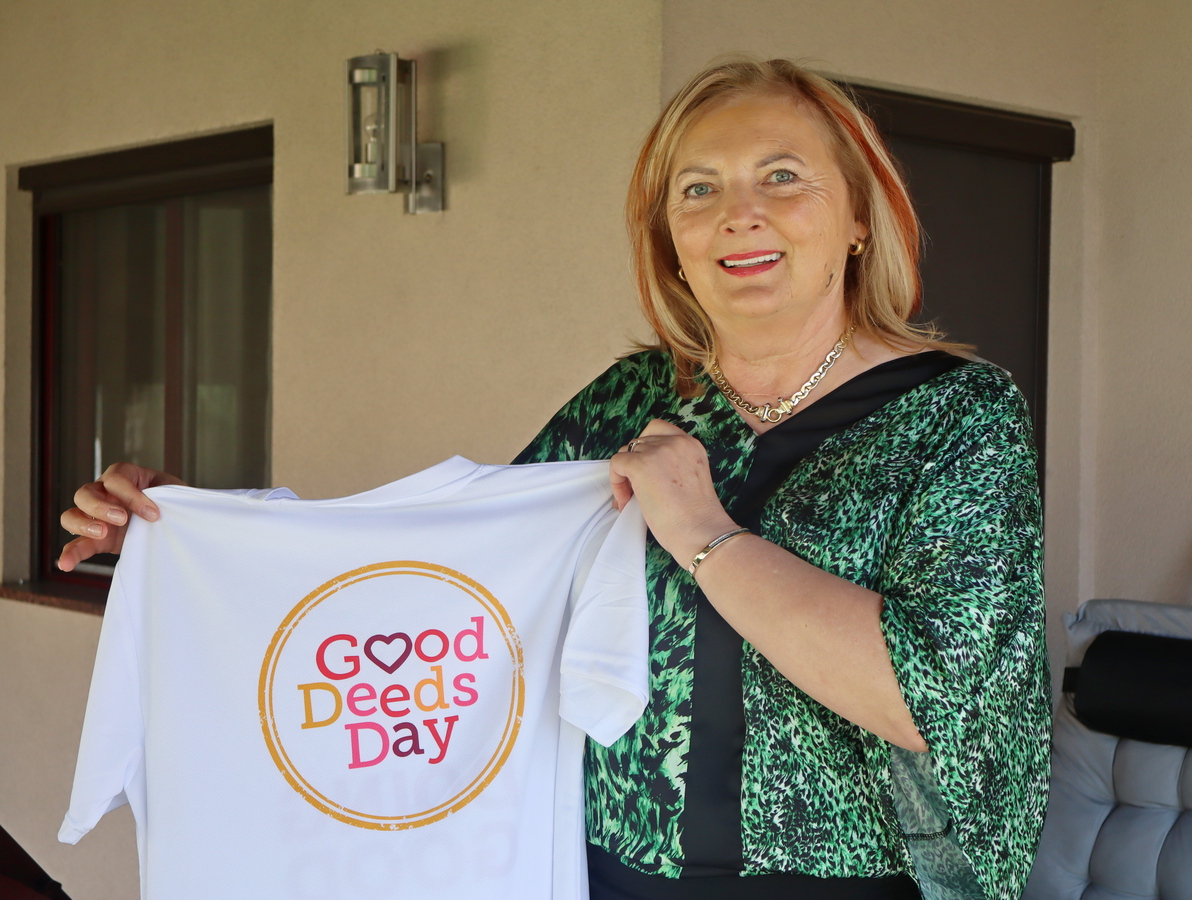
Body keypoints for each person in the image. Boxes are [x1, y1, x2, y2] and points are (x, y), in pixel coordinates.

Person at [59, 59, 1048, 900]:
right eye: (697, 190)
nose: (738, 216)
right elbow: (460, 582)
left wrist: (701, 530)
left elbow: (937, 701)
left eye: (782, 177)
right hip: (595, 875)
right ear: (671, 242)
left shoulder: (956, 414)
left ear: (860, 219)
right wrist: (196, 537)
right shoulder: (631, 400)